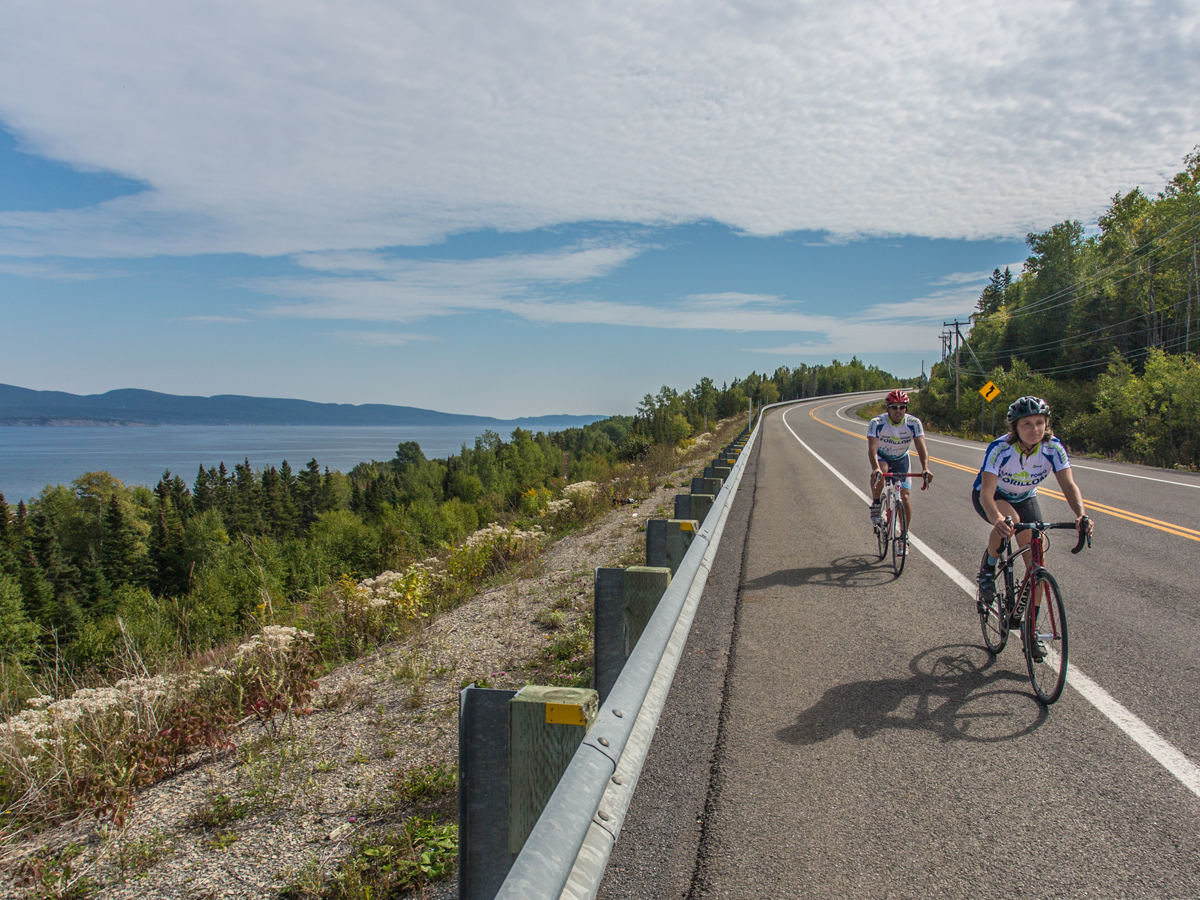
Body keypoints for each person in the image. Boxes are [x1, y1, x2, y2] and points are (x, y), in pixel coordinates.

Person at [973, 396, 1094, 656]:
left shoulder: (1053, 448)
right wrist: (996, 518)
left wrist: (1081, 515)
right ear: (1015, 427)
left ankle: (1030, 631)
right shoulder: (1000, 448)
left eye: (1040, 422)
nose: (1034, 429)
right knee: (1009, 523)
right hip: (994, 497)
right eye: (1027, 423)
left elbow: (1069, 485)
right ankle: (988, 569)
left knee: (1037, 567)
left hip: (1026, 498)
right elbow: (986, 493)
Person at [867, 390, 932, 555]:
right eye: (894, 407)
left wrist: (925, 467)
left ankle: (903, 537)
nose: (898, 410)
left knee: (905, 497)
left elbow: (921, 448)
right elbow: (872, 450)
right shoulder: (877, 423)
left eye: (902, 407)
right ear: (887, 408)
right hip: (883, 457)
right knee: (882, 471)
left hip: (902, 459)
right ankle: (876, 502)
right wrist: (875, 468)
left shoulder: (913, 423)